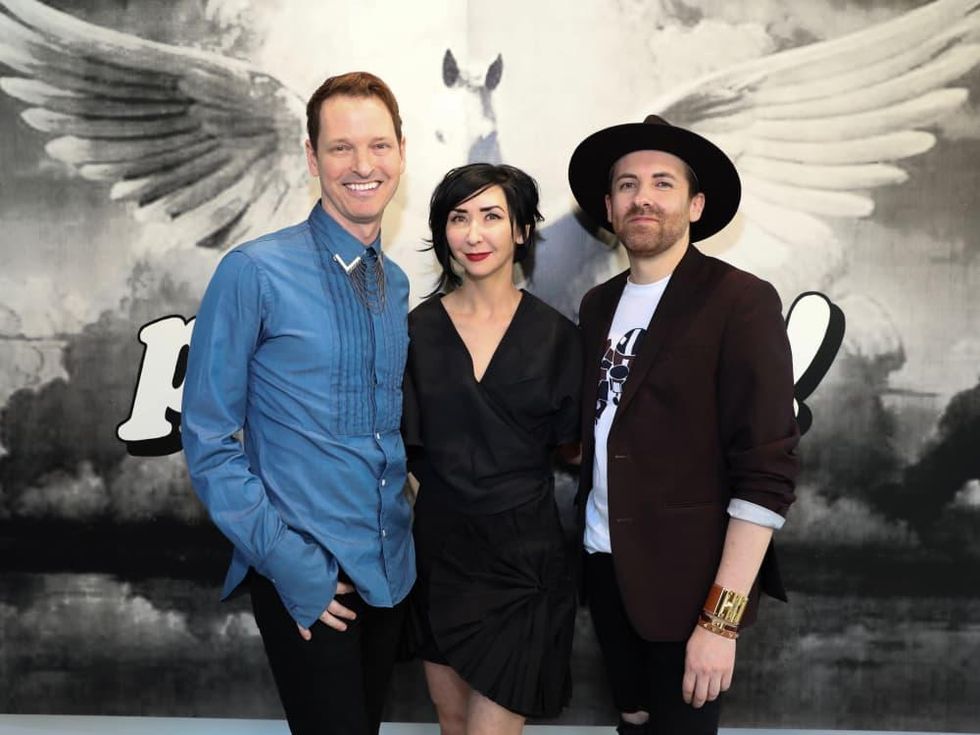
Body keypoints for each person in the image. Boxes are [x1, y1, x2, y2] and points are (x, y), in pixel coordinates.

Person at [181, 71, 414, 735]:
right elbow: (209, 439)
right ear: (311, 159)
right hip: (307, 579)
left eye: (379, 145)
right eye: (341, 148)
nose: (362, 165)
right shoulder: (252, 271)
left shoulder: (393, 285)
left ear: (402, 152)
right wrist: (293, 567)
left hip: (390, 575)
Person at [567, 115, 800, 734]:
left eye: (662, 183)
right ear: (610, 208)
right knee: (634, 725)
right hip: (606, 568)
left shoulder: (740, 301)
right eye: (626, 184)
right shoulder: (596, 307)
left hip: (690, 588)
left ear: (695, 204)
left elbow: (767, 472)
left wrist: (720, 621)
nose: (642, 196)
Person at [402, 163, 581, 735]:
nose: (474, 234)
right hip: (439, 558)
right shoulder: (415, 330)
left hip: (524, 566)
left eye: (491, 216)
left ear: (522, 231)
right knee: (452, 724)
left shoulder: (559, 336)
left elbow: (576, 449)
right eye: (459, 218)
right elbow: (401, 451)